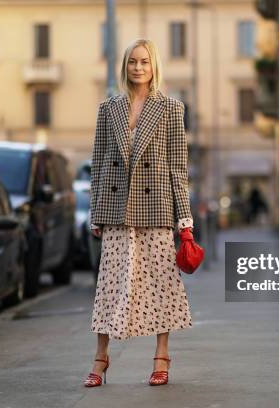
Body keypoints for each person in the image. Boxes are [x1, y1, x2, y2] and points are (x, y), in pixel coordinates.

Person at [84, 39, 194, 387]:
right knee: (110, 285)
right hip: (116, 209)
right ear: (125, 66)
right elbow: (99, 163)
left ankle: (161, 357)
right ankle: (100, 359)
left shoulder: (171, 108)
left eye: (144, 62)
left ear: (154, 65)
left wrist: (185, 220)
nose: (138, 68)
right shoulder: (108, 109)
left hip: (156, 209)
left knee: (161, 284)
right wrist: (94, 213)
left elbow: (178, 167)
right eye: (132, 62)